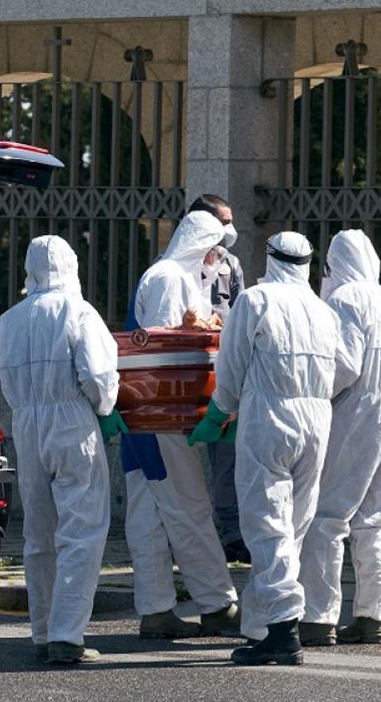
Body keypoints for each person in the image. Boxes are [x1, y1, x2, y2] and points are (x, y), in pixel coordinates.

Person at [192, 231, 340, 666]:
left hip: (270, 418)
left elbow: (232, 364)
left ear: (270, 258)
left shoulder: (256, 300)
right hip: (317, 420)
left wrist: (218, 413)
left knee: (266, 523)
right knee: (293, 526)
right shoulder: (324, 310)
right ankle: (263, 624)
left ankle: (283, 631)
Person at [0, 235, 123, 664]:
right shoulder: (78, 311)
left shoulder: (9, 321)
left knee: (39, 532)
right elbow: (98, 375)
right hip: (71, 421)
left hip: (27, 424)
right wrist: (104, 409)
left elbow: (7, 382)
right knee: (82, 529)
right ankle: (68, 635)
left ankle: (44, 630)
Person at [299, 230, 381, 647]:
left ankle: (318, 618)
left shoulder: (345, 300)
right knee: (376, 518)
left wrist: (313, 393)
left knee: (328, 515)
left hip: (360, 408)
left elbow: (345, 365)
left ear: (333, 265)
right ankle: (372, 616)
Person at [123, 209, 239, 639]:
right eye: (214, 252)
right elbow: (167, 345)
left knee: (149, 513)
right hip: (163, 414)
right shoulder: (171, 278)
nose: (217, 261)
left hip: (142, 412)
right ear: (200, 248)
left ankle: (155, 609)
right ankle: (218, 604)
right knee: (189, 507)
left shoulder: (168, 274)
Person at [189, 194, 249, 564]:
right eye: (223, 222)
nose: (230, 229)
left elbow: (239, 315)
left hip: (222, 370)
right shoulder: (178, 264)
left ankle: (232, 533)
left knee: (227, 454)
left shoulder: (231, 264)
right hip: (187, 370)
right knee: (181, 459)